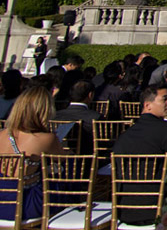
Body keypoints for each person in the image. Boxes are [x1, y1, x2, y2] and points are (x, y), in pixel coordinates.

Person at [111, 85, 167, 226]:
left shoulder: (124, 137)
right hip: (160, 210)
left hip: (125, 211)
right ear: (147, 105)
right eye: (164, 99)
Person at [0, 87, 66, 221]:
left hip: (3, 198)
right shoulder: (46, 138)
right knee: (65, 175)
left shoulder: (2, 135)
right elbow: (64, 161)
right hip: (26, 203)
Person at [54, 80, 102, 154]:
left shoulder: (55, 116)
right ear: (90, 95)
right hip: (86, 158)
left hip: (56, 156)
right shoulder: (95, 117)